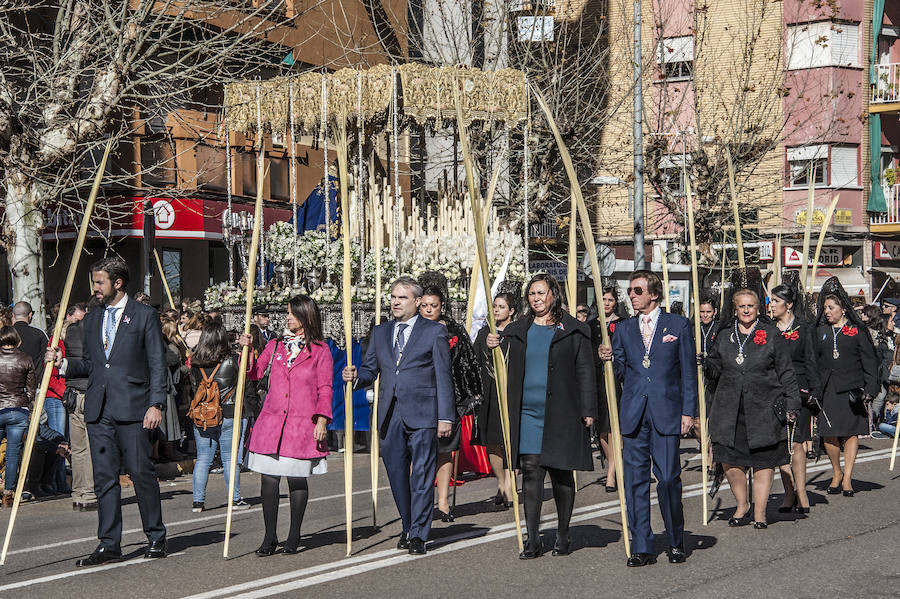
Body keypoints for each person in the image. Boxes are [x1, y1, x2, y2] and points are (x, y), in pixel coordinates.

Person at [47, 257, 168, 566]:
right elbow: (90, 364)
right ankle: (109, 543)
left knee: (141, 473)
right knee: (104, 478)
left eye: (100, 282)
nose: (95, 288)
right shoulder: (92, 318)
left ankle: (155, 535)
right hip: (99, 408)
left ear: (118, 283)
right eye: (93, 282)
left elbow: (157, 362)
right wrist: (62, 363)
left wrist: (156, 403)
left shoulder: (144, 315)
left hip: (134, 407)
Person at [342, 276, 454, 556]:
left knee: (423, 475)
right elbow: (371, 371)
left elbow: (443, 375)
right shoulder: (380, 332)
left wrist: (446, 416)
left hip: (424, 414)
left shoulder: (433, 332)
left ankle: (419, 533)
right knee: (396, 475)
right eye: (392, 296)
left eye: (402, 297)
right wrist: (356, 378)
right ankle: (407, 525)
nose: (394, 301)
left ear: (417, 302)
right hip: (389, 414)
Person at [487, 274, 596, 559]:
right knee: (532, 474)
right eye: (532, 294)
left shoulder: (573, 329)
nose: (536, 298)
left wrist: (588, 410)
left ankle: (562, 534)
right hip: (527, 413)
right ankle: (532, 538)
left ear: (553, 295)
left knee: (561, 475)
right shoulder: (517, 330)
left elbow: (586, 370)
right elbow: (493, 364)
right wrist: (489, 345)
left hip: (562, 412)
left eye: (541, 293)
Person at [599, 269, 696, 566]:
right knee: (634, 482)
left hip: (666, 412)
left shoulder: (678, 325)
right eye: (630, 291)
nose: (632, 295)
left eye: (637, 291)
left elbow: (688, 372)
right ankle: (642, 544)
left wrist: (688, 412)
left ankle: (675, 538)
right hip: (633, 414)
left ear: (654, 293)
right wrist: (608, 358)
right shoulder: (624, 329)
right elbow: (620, 369)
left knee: (667, 478)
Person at [242, 295, 333, 555]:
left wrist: (322, 419)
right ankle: (269, 536)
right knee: (268, 481)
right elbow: (254, 372)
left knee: (296, 479)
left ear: (306, 316)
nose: (288, 317)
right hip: (271, 423)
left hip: (300, 426)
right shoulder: (275, 345)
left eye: (293, 313)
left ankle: (294, 535)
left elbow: (325, 388)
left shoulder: (320, 350)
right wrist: (247, 350)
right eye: (288, 313)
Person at [705, 283, 799, 529]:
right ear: (734, 309)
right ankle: (741, 504)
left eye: (751, 306)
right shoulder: (724, 334)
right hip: (730, 409)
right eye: (742, 306)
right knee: (731, 460)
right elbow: (715, 367)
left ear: (759, 309)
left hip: (763, 407)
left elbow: (786, 371)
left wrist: (793, 403)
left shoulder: (771, 333)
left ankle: (759, 512)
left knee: (763, 462)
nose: (746, 310)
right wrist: (705, 362)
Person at [418, 284, 483, 522]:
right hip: (421, 399)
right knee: (421, 454)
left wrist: (472, 393)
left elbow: (468, 362)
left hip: (450, 400)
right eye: (424, 305)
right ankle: (421, 501)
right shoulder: (413, 329)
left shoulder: (454, 330)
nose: (428, 310)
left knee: (445, 452)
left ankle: (443, 501)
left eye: (433, 306)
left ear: (442, 306)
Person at [813, 277, 879, 497]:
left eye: (831, 307)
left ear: (842, 309)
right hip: (828, 389)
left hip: (852, 389)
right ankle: (836, 471)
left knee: (851, 434)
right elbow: (813, 361)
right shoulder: (820, 331)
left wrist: (871, 388)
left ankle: (848, 477)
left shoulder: (857, 331)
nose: (827, 311)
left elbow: (869, 361)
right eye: (825, 308)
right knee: (829, 434)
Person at [188, 320, 249, 513]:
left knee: (203, 458)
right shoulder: (233, 359)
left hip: (203, 413)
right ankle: (235, 498)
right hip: (228, 411)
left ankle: (198, 501)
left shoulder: (195, 361)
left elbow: (193, 387)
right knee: (229, 458)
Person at [769, 278, 818, 514]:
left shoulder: (804, 328)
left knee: (797, 442)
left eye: (776, 301)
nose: (771, 305)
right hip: (773, 391)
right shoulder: (767, 329)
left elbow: (811, 361)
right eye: (770, 300)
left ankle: (801, 492)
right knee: (782, 444)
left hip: (798, 390)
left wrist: (813, 391)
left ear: (788, 304)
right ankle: (788, 492)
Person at [473, 292, 519, 508]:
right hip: (490, 393)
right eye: (495, 306)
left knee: (512, 440)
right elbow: (474, 362)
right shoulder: (484, 333)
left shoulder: (519, 333)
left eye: (502, 306)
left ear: (511, 311)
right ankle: (501, 482)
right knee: (493, 441)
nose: (497, 309)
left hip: (512, 392)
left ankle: (511, 483)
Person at [588, 283, 625, 492]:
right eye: (603, 300)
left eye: (610, 300)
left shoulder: (624, 324)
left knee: (614, 428)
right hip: (597, 381)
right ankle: (617, 465)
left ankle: (611, 474)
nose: (607, 303)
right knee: (602, 431)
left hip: (617, 382)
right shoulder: (591, 326)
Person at [63, 303, 96, 511]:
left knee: (79, 448)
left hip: (74, 392)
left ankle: (79, 494)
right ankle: (89, 493)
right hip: (88, 391)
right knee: (90, 447)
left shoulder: (72, 329)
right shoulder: (92, 330)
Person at [0, 326, 36, 507]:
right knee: (13, 454)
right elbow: (31, 389)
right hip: (18, 409)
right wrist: (27, 404)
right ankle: (8, 492)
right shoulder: (26, 359)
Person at [12, 301, 49, 369]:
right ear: (30, 315)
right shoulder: (39, 334)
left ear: (13, 315)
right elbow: (47, 357)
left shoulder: (4, 334)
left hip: (7, 377)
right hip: (34, 377)